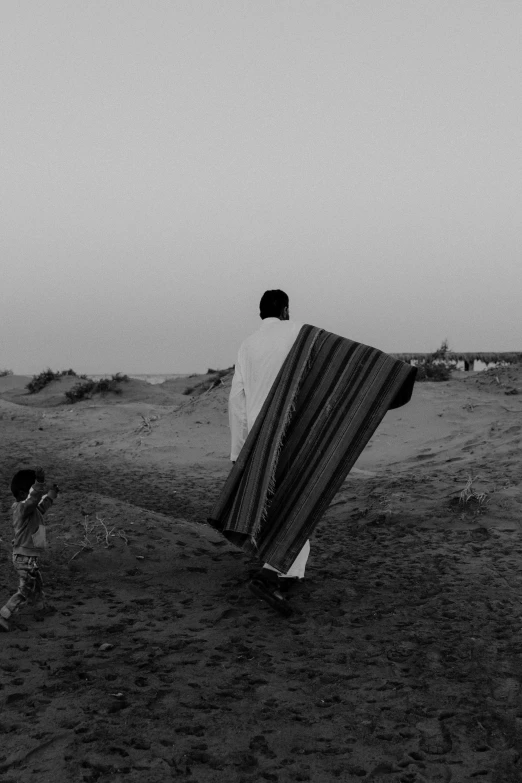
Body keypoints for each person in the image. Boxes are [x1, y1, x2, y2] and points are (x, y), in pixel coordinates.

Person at [229, 290, 310, 613]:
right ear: (286, 309)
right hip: (294, 433)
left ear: (261, 313)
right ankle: (273, 574)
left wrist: (239, 450)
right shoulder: (300, 334)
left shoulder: (247, 346)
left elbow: (237, 400)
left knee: (274, 502)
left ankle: (288, 572)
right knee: (301, 500)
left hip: (261, 439)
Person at [0, 467, 59, 632]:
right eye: (32, 490)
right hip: (23, 557)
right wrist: (40, 483)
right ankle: (5, 613)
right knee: (25, 589)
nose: (37, 495)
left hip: (28, 556)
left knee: (36, 582)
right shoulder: (21, 509)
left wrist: (50, 496)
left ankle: (41, 606)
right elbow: (34, 500)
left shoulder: (30, 511)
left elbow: (40, 506)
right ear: (21, 494)